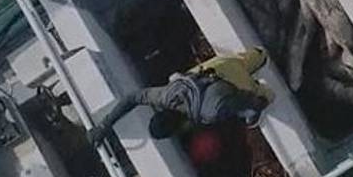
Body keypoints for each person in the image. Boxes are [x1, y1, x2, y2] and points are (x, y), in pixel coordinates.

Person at [87, 48, 274, 144]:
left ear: (178, 128)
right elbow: (132, 98)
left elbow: (239, 101)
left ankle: (263, 88)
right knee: (255, 56)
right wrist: (105, 125)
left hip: (235, 84)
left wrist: (259, 102)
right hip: (218, 66)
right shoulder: (164, 96)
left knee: (257, 104)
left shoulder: (209, 114)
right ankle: (259, 55)